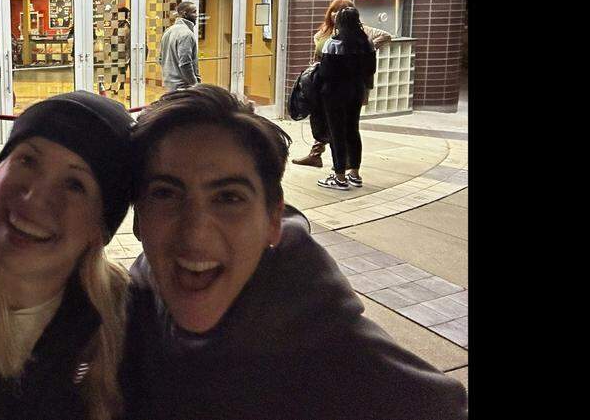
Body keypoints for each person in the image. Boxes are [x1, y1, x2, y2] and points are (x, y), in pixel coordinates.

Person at [120, 84, 468, 420]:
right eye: (166, 194)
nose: (194, 234)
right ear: (138, 218)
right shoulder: (124, 319)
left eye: (229, 198)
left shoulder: (344, 365)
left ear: (274, 219)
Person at [0, 91, 134, 420]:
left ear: (100, 228)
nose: (34, 197)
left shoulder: (126, 323)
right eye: (27, 160)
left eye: (74, 184)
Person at [292, 0, 392, 168]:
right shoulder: (324, 32)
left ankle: (342, 166)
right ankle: (319, 155)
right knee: (321, 120)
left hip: (343, 86)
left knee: (343, 127)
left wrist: (364, 49)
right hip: (324, 83)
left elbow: (385, 37)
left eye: (341, 11)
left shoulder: (361, 32)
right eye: (334, 10)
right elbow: (318, 57)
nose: (336, 14)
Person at [314, 6, 376, 190]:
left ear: (340, 22)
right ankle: (355, 174)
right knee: (353, 130)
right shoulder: (367, 43)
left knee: (336, 133)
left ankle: (339, 177)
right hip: (356, 90)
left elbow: (324, 72)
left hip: (334, 93)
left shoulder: (333, 43)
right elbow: (370, 70)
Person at [157, 1, 200, 91]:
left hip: (169, 86)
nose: (197, 15)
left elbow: (160, 59)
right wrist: (195, 85)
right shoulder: (186, 34)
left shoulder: (168, 31)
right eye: (194, 12)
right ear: (185, 14)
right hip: (184, 88)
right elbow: (185, 63)